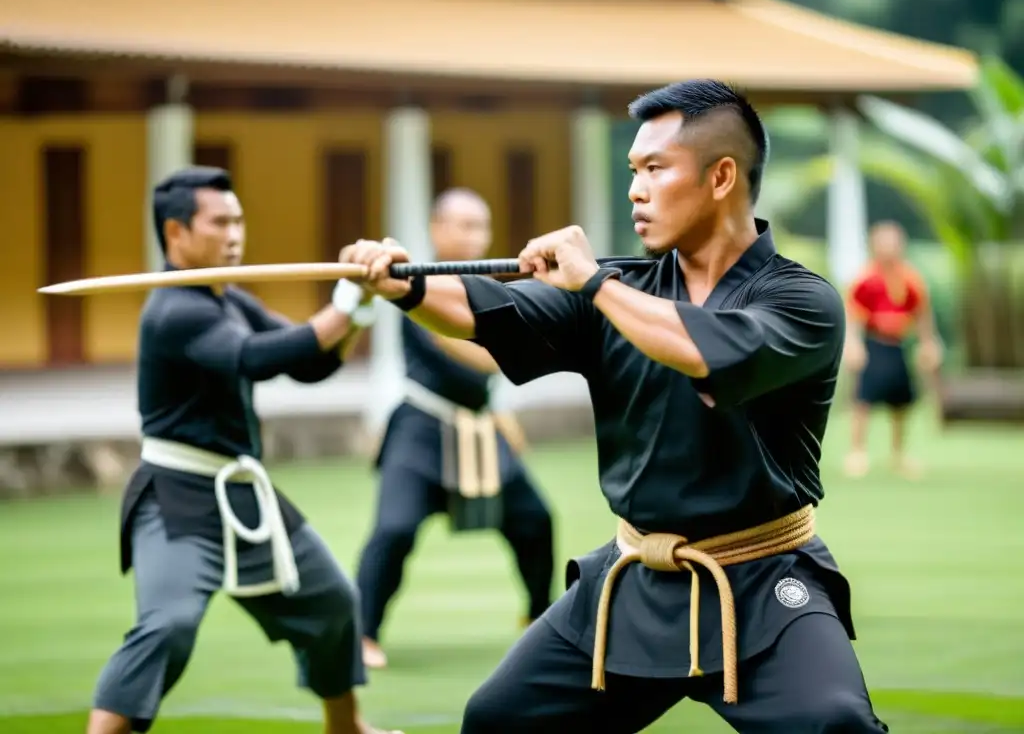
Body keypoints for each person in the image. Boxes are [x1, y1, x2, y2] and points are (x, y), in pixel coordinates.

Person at [342, 80, 889, 733]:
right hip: (632, 581)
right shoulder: (615, 290)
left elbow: (701, 350)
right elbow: (485, 313)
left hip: (761, 583)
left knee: (837, 724)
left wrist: (593, 283)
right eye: (633, 171)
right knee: (498, 720)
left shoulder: (802, 303)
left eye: (655, 168)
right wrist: (404, 284)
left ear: (721, 177)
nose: (635, 189)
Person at [87, 167, 400, 734]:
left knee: (333, 602)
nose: (235, 234)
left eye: (239, 220)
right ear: (176, 232)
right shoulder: (174, 310)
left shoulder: (227, 298)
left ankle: (345, 727)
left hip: (242, 492)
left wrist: (355, 309)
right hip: (177, 497)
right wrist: (350, 295)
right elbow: (256, 358)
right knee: (168, 625)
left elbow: (311, 363)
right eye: (220, 222)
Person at [355, 188, 555, 671]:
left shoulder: (492, 286)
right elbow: (481, 356)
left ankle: (540, 619)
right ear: (436, 230)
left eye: (479, 226)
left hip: (482, 427)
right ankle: (361, 634)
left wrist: (504, 411)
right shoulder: (415, 284)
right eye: (462, 225)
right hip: (420, 427)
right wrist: (518, 352)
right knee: (394, 529)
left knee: (536, 520)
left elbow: (496, 369)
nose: (472, 235)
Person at [843, 220, 942, 479]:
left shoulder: (911, 278)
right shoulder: (866, 279)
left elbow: (922, 314)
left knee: (901, 401)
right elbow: (852, 316)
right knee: (863, 399)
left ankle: (898, 454)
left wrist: (928, 342)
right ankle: (857, 451)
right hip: (873, 344)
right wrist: (852, 344)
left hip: (898, 345)